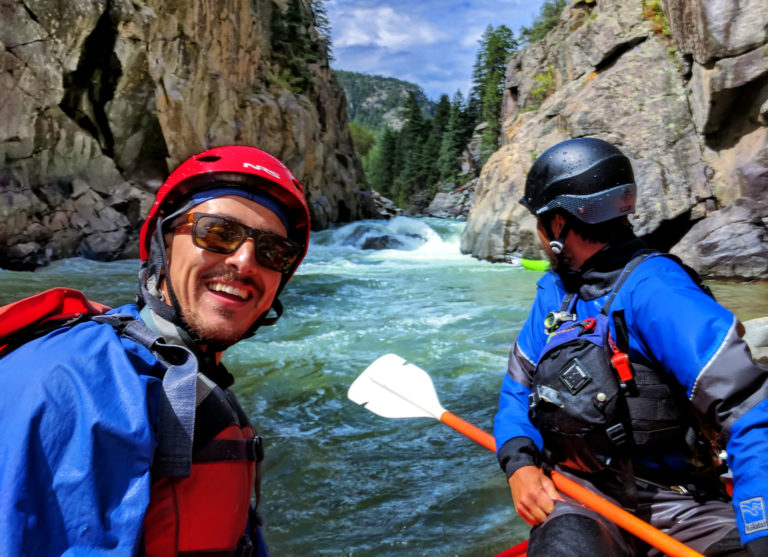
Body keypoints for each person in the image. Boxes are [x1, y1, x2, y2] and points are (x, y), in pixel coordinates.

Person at [0, 145, 311, 556]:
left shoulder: (183, 373)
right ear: (163, 244)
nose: (245, 261)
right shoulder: (77, 381)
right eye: (218, 233)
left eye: (273, 251)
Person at [494, 137, 768, 556]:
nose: (537, 231)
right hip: (584, 497)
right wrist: (520, 463)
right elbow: (517, 390)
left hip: (682, 505)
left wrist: (760, 530)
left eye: (540, 219)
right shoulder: (554, 293)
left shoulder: (658, 291)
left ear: (559, 225)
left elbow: (750, 411)